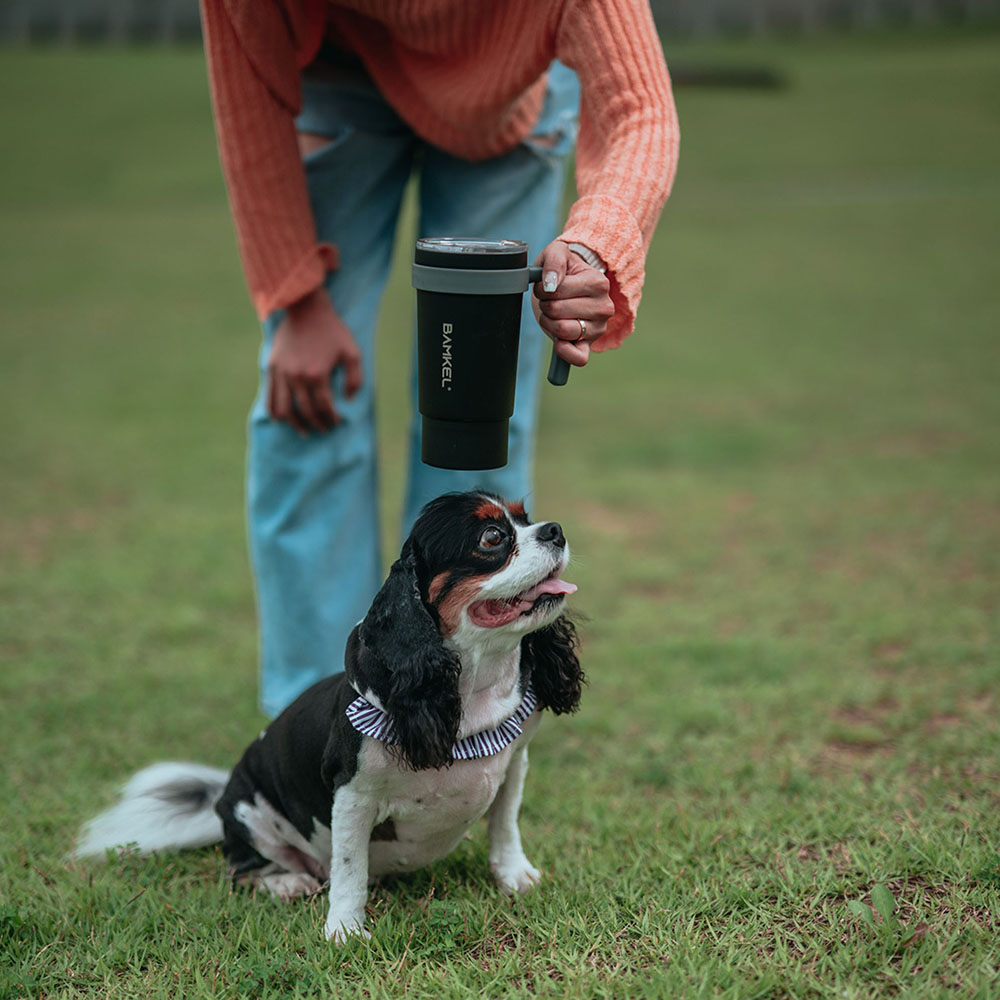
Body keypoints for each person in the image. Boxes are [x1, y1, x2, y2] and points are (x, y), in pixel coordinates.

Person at [199, 0, 679, 717]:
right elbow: (249, 90)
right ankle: (313, 726)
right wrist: (296, 298)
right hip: (336, 71)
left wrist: (593, 247)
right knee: (309, 396)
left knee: (474, 420)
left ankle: (459, 715)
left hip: (507, 106)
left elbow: (640, 109)